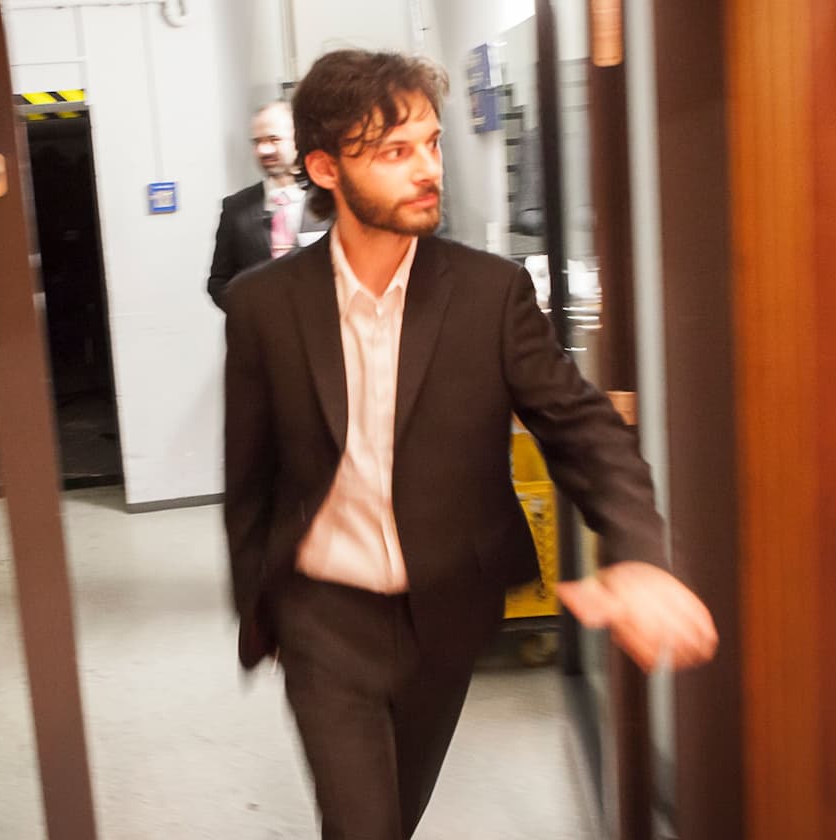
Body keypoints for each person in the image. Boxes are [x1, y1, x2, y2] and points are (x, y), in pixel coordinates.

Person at [221, 51, 717, 839]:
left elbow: (581, 427)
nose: (428, 170)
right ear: (325, 167)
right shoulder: (263, 308)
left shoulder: (490, 294)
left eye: (432, 143)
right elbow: (247, 477)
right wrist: (263, 604)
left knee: (398, 815)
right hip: (322, 615)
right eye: (393, 151)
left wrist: (642, 553)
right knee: (362, 828)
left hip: (444, 615)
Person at [206, 101, 330, 310]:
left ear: (298, 139)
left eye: (274, 139)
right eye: (257, 142)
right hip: (262, 338)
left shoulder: (330, 202)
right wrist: (251, 317)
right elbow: (218, 282)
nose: (264, 150)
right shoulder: (235, 209)